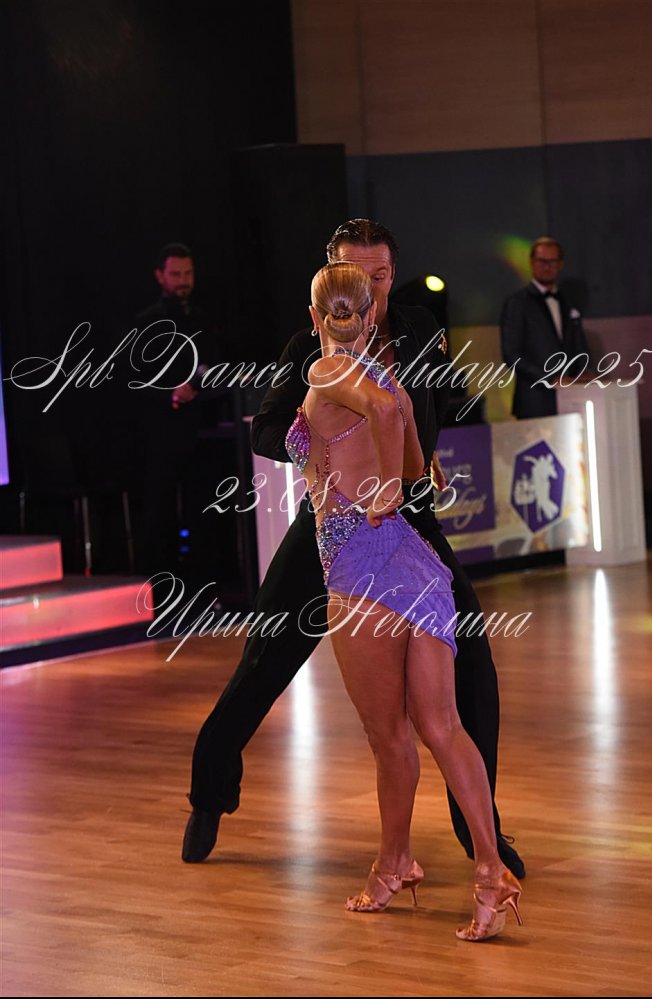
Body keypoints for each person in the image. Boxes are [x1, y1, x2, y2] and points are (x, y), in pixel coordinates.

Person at [182, 219, 525, 882]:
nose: (368, 287)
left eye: (380, 275)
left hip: (408, 521)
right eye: (355, 274)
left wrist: (422, 461)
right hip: (336, 527)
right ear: (329, 278)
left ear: (392, 274)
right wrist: (319, 453)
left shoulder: (419, 327)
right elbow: (267, 429)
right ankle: (209, 794)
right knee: (265, 657)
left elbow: (429, 401)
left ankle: (479, 831)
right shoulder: (309, 346)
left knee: (473, 661)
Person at [284, 260, 523, 939]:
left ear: (316, 317)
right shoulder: (390, 378)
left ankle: (394, 863)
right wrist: (396, 474)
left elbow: (392, 442)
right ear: (371, 315)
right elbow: (419, 462)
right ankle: (487, 873)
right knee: (442, 726)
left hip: (361, 567)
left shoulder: (325, 371)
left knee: (389, 736)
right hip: (419, 567)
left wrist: (383, 488)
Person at [133, 243, 221, 576]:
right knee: (161, 511)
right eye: (175, 274)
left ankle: (203, 583)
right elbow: (135, 379)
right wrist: (170, 394)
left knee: (204, 509)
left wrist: (196, 387)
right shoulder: (146, 323)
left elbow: (216, 366)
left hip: (203, 430)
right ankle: (162, 587)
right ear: (160, 276)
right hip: (161, 433)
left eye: (187, 273)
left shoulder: (204, 320)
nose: (183, 280)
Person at [500, 236, 591, 418]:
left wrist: (585, 373)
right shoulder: (517, 303)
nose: (547, 267)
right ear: (532, 263)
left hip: (571, 397)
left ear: (560, 264)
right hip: (534, 401)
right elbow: (511, 354)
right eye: (542, 261)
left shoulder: (567, 301)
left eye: (552, 261)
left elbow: (578, 345)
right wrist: (550, 379)